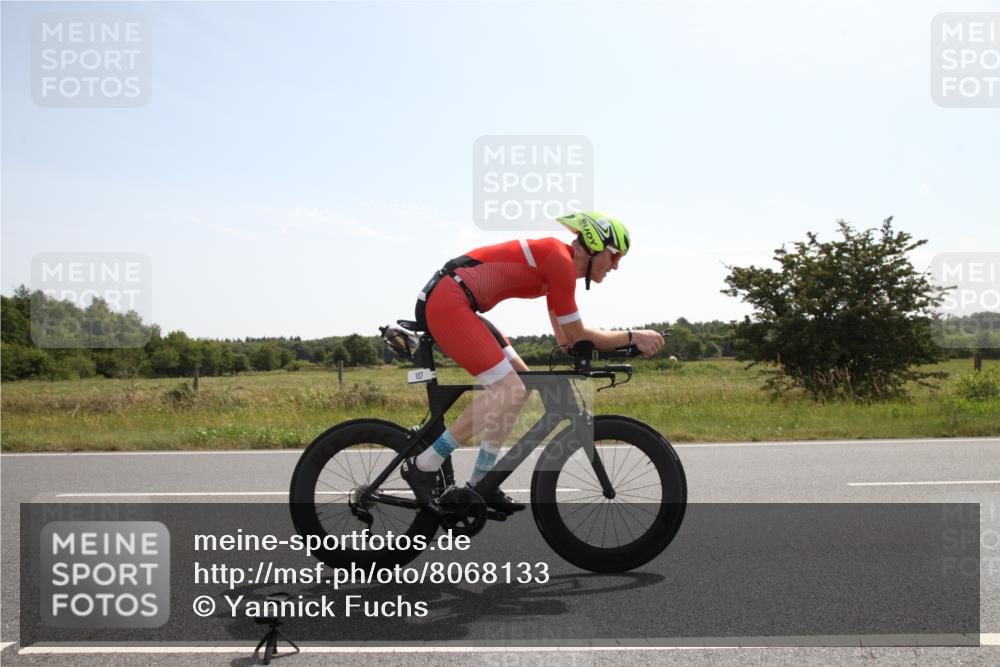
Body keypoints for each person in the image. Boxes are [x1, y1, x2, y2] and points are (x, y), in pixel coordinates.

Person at [401, 211, 664, 512]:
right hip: (449, 299)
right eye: (615, 256)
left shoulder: (560, 271)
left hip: (460, 300)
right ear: (593, 245)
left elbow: (569, 341)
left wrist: (620, 349)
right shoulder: (559, 261)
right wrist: (633, 336)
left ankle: (480, 482)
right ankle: (424, 466)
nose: (616, 266)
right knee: (507, 389)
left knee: (520, 385)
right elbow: (578, 334)